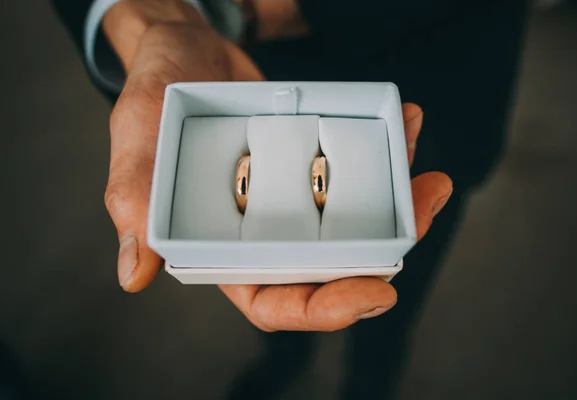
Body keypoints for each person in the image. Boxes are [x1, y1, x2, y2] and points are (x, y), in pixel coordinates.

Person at [51, 0, 531, 398]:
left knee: (395, 292)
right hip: (249, 67)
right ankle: (284, 356)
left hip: (443, 59)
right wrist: (151, 16)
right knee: (271, 291)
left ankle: (370, 382)